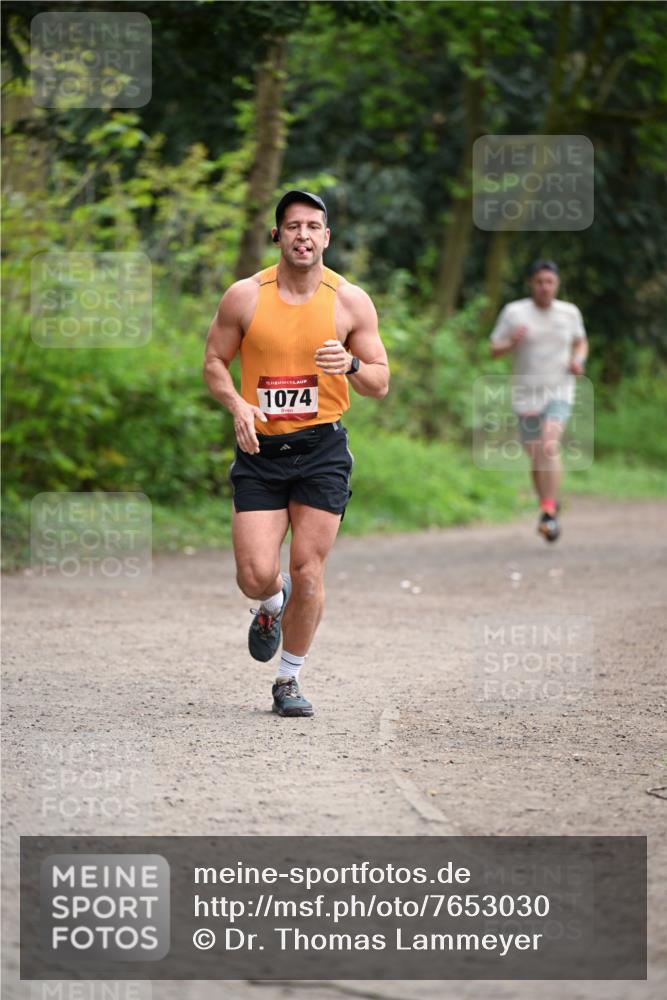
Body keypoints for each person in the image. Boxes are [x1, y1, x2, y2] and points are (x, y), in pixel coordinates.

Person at [203, 190, 389, 717]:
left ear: (326, 237)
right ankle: (269, 602)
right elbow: (215, 361)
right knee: (254, 573)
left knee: (309, 568)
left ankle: (288, 679)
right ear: (277, 236)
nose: (303, 235)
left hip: (321, 448)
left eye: (313, 226)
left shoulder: (350, 301)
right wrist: (238, 402)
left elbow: (380, 380)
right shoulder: (244, 296)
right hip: (260, 447)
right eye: (292, 226)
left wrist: (350, 366)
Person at [489, 259, 588, 542]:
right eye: (539, 282)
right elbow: (494, 349)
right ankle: (548, 503)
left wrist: (578, 359)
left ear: (557, 284)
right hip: (526, 393)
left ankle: (548, 512)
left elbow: (581, 341)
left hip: (559, 389)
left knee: (548, 444)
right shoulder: (515, 312)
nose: (545, 287)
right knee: (536, 453)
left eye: (550, 282)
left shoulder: (569, 313)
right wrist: (512, 342)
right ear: (531, 284)